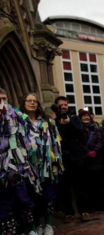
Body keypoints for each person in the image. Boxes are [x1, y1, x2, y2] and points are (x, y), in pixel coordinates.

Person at [20, 93, 64, 235]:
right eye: (29, 101)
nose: (32, 103)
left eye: (35, 101)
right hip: (28, 166)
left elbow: (55, 143)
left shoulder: (47, 121)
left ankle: (48, 225)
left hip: (46, 165)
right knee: (31, 196)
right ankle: (35, 227)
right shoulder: (19, 121)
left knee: (48, 195)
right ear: (24, 103)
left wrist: (55, 159)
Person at [0, 89, 37, 235]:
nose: (2, 102)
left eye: (4, 98)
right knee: (4, 203)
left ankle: (30, 229)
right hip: (1, 170)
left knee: (23, 198)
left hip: (17, 166)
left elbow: (26, 138)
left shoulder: (16, 116)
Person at [53, 96, 87, 222]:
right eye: (61, 104)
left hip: (76, 156)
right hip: (62, 157)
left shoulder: (75, 118)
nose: (63, 106)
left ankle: (83, 211)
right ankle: (69, 212)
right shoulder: (54, 120)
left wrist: (69, 123)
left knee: (80, 185)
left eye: (65, 104)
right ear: (57, 106)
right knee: (65, 186)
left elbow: (81, 132)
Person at [79, 109, 104, 213]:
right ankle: (90, 206)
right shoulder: (78, 129)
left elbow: (100, 141)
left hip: (97, 161)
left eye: (88, 116)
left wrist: (95, 151)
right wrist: (87, 152)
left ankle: (101, 204)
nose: (86, 118)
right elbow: (79, 143)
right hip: (85, 161)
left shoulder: (95, 129)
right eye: (84, 116)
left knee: (99, 184)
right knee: (88, 185)